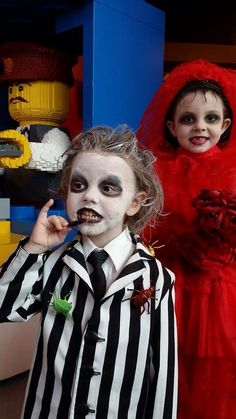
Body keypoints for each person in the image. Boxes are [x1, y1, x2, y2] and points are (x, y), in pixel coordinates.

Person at [0, 125, 177, 419]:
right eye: (78, 186)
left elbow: (163, 374)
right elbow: (4, 305)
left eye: (108, 188)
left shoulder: (157, 277)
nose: (89, 197)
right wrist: (33, 248)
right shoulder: (51, 262)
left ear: (134, 202)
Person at [137, 59, 236, 419]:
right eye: (188, 118)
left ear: (225, 124)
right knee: (169, 358)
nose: (200, 127)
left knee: (219, 365)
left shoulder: (234, 168)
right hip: (174, 283)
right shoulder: (156, 172)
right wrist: (177, 243)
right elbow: (142, 229)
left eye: (211, 119)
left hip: (223, 288)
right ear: (171, 126)